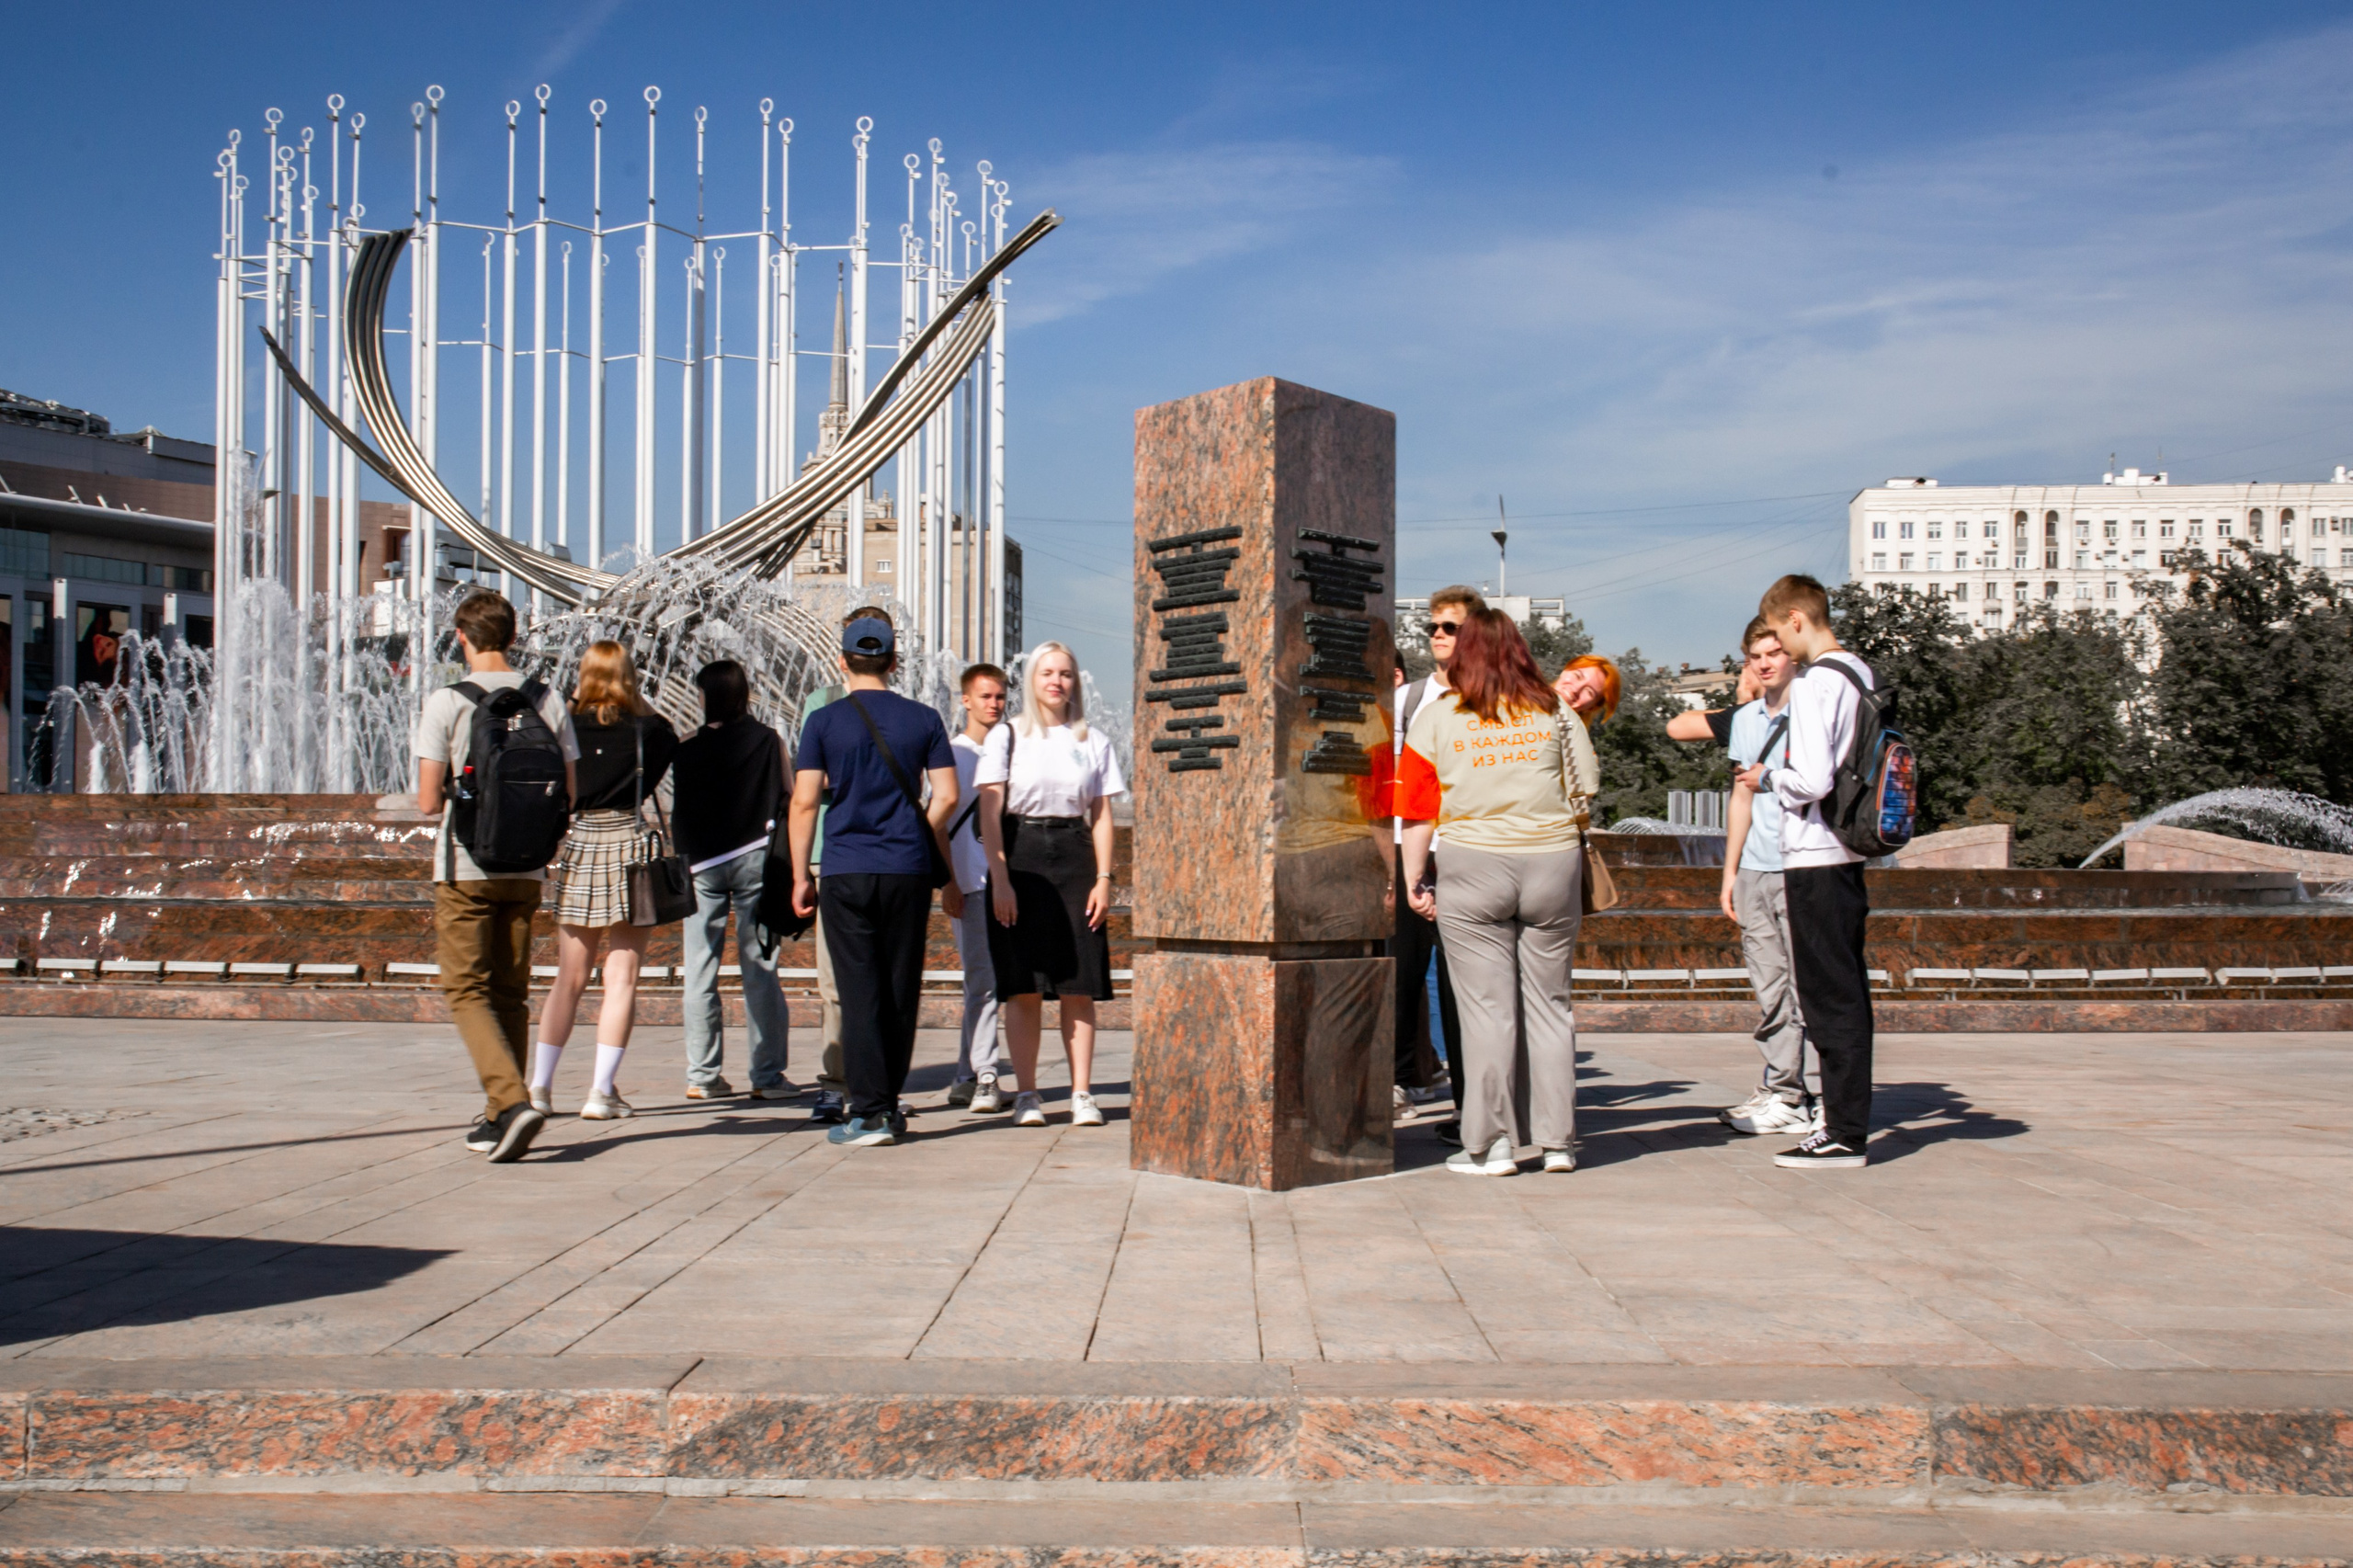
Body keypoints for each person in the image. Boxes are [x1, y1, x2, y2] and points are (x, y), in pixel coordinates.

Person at [1397, 608, 1598, 1176]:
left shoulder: (1439, 716)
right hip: (1552, 862)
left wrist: (1416, 877)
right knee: (1551, 1007)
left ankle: (1491, 1146)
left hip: (1473, 863)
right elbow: (1587, 782)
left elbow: (1418, 809)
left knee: (1486, 1012)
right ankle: (1558, 1142)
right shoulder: (1554, 707)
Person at [413, 590, 578, 1164]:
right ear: (512, 637)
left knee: (465, 987)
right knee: (510, 990)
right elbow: (571, 795)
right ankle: (495, 1116)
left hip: (466, 866)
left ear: (462, 637)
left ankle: (511, 1102)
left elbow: (428, 802)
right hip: (528, 867)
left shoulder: (447, 702)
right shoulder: (546, 699)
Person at [787, 608, 961, 1147]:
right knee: (900, 986)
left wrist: (799, 876)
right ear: (893, 662)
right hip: (906, 868)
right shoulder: (924, 718)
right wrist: (915, 826)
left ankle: (868, 1113)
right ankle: (888, 1103)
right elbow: (949, 796)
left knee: (858, 989)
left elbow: (804, 802)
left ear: (843, 660)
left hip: (845, 867)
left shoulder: (824, 721)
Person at [1736, 574, 1877, 1171]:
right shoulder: (1859, 672)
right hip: (1847, 853)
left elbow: (1812, 779)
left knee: (1826, 995)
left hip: (1815, 853)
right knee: (1847, 987)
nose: (1779, 653)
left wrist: (1768, 778)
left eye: (1780, 636)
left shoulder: (1819, 682)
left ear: (1797, 618)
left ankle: (1842, 1131)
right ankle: (1844, 1119)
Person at [975, 642, 1126, 1128]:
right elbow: (990, 810)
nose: (1056, 681)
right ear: (1032, 681)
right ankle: (1027, 1094)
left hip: (1075, 855)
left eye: (1065, 673)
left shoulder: (1093, 740)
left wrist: (1105, 878)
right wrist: (999, 879)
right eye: (1047, 673)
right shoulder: (1008, 736)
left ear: (1074, 681)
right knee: (1023, 987)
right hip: (1020, 855)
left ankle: (1082, 1093)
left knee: (1077, 984)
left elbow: (1102, 816)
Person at [530, 641, 676, 1119]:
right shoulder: (648, 731)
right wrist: (634, 697)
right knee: (622, 978)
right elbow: (668, 734)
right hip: (630, 847)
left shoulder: (563, 727)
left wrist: (576, 698)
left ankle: (540, 1088)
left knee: (568, 978)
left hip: (582, 843)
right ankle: (600, 1091)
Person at [672, 660, 797, 1102]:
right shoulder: (767, 740)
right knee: (759, 968)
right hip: (753, 860)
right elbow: (789, 795)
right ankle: (766, 1076)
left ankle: (703, 1076)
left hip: (700, 866)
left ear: (706, 697)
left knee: (699, 971)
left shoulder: (685, 747)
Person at [1711, 618, 1817, 1136]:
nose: (1766, 662)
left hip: (1803, 864)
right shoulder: (1748, 719)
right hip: (1755, 868)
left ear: (1793, 654)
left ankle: (1799, 1093)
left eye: (1775, 652)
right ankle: (1784, 1089)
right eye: (1756, 654)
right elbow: (1741, 797)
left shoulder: (1814, 709)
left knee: (1804, 984)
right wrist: (1730, 872)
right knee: (1769, 984)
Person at [1391, 589, 1479, 1128]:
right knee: (1400, 974)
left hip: (1468, 853)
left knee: (1461, 983)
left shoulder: (1491, 698)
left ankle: (1473, 1106)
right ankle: (1399, 1079)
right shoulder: (1409, 697)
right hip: (1409, 848)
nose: (1439, 635)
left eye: (1451, 626)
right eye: (1434, 627)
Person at [948, 664, 1010, 1111]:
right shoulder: (951, 755)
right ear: (965, 700)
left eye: (1000, 697)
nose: (994, 704)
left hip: (1004, 881)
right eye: (985, 696)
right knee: (983, 981)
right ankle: (987, 1075)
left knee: (985, 981)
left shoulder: (1010, 751)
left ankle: (965, 1075)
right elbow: (937, 824)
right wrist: (947, 882)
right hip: (969, 882)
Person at [799, 677, 851, 1124]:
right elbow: (808, 784)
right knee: (833, 983)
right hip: (826, 856)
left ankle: (878, 1084)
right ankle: (834, 1084)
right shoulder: (821, 704)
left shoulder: (905, 710)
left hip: (880, 858)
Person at [1555, 654, 1621, 726]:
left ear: (1592, 708)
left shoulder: (1571, 736)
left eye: (1589, 692)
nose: (1576, 689)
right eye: (1577, 676)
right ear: (1566, 670)